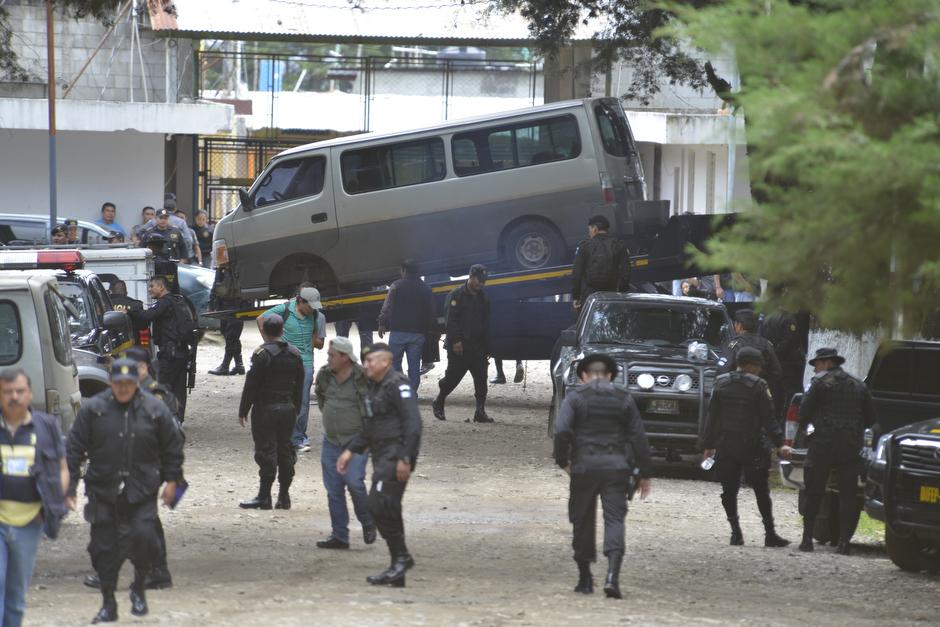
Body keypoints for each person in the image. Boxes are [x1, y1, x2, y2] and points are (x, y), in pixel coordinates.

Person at [66, 359, 184, 623]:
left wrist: (173, 481)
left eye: (128, 384)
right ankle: (108, 602)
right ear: (110, 383)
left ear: (136, 383)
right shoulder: (94, 410)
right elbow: (74, 448)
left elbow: (173, 447)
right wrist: (69, 487)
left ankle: (139, 587)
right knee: (103, 548)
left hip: (141, 488)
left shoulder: (155, 408)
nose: (122, 389)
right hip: (102, 490)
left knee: (144, 538)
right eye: (117, 384)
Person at [553, 353, 652, 599]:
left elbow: (562, 429)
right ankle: (612, 576)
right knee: (615, 520)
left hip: (584, 466)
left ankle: (585, 578)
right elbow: (639, 437)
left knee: (582, 519)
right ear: (609, 375)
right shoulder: (624, 398)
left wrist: (563, 460)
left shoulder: (575, 397)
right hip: (617, 467)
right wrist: (645, 473)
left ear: (584, 376)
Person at [337, 343, 422, 587]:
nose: (365, 366)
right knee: (390, 508)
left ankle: (402, 558)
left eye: (370, 361)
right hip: (381, 454)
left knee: (377, 504)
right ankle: (399, 569)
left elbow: (413, 425)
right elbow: (370, 428)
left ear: (385, 362)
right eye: (364, 362)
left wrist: (406, 458)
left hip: (395, 455)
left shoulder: (399, 385)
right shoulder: (374, 388)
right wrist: (350, 451)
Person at [701, 347, 793, 548]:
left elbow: (712, 417)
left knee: (729, 491)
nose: (760, 370)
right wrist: (779, 444)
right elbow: (769, 419)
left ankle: (736, 533)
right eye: (759, 366)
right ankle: (770, 534)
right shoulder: (759, 386)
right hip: (752, 446)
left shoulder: (721, 383)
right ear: (751, 366)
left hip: (726, 446)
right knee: (761, 490)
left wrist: (708, 445)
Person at [0, 369, 69, 627]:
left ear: (29, 394)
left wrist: (54, 504)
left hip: (30, 522)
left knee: (16, 596)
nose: (14, 397)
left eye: (19, 391)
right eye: (7, 392)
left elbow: (62, 469)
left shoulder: (46, 426)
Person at [798, 348, 877, 555]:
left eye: (816, 364)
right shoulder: (859, 385)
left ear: (826, 362)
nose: (815, 369)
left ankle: (807, 540)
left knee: (814, 491)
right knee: (848, 496)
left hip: (822, 444)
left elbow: (803, 414)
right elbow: (870, 419)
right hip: (850, 445)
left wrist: (809, 430)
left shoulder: (818, 384)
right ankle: (843, 543)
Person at [314, 337, 377, 549]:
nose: (328, 358)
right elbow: (321, 397)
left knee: (354, 483)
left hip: (356, 442)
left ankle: (368, 521)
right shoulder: (324, 375)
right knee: (333, 490)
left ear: (345, 357)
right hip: (331, 441)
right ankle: (340, 536)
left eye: (332, 355)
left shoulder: (363, 378)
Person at [238, 314, 305, 510]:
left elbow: (251, 385)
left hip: (266, 409)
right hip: (287, 409)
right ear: (282, 331)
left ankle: (264, 496)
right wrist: (296, 408)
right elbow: (299, 386)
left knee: (266, 451)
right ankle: (284, 496)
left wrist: (244, 409)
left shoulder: (262, 354)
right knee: (285, 450)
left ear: (264, 332)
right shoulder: (295, 353)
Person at [258, 285, 326, 453]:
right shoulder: (285, 308)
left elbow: (320, 343)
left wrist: (311, 339)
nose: (312, 310)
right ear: (299, 301)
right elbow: (261, 319)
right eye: (309, 306)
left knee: (302, 402)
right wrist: (271, 343)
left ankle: (298, 437)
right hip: (285, 362)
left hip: (306, 363)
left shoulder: (317, 315)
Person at [432, 264, 492, 423]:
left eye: (483, 281)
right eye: (479, 280)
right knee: (452, 378)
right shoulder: (456, 295)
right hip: (460, 346)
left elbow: (486, 322)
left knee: (481, 379)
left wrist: (487, 346)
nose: (481, 284)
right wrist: (456, 341)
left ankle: (480, 411)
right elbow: (451, 320)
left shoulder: (483, 297)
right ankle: (439, 401)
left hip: (477, 346)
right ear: (470, 277)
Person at [129, 277, 191, 420]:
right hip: (181, 352)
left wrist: (133, 310)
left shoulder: (164, 303)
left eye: (152, 286)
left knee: (162, 386)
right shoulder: (177, 301)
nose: (149, 289)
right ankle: (178, 418)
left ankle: (163, 419)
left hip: (170, 354)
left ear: (161, 287)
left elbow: (147, 316)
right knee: (179, 388)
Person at [377, 259, 436, 394]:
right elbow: (432, 312)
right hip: (418, 334)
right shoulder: (426, 288)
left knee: (395, 364)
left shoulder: (396, 285)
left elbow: (387, 307)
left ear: (404, 271)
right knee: (414, 367)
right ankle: (411, 392)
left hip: (398, 332)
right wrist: (432, 330)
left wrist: (382, 323)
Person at [723, 309, 784, 415]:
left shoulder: (734, 344)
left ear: (740, 325)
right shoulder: (767, 345)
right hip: (760, 397)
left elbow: (723, 369)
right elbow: (777, 372)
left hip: (737, 396)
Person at [571, 215, 631, 310]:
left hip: (589, 297)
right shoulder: (619, 245)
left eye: (589, 229)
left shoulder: (584, 246)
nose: (589, 233)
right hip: (612, 295)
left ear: (595, 228)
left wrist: (576, 297)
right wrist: (620, 293)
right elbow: (626, 273)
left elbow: (576, 275)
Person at [209, 299, 246, 376]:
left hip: (233, 306)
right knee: (232, 335)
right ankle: (239, 365)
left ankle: (225, 366)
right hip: (228, 306)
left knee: (231, 336)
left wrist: (211, 305)